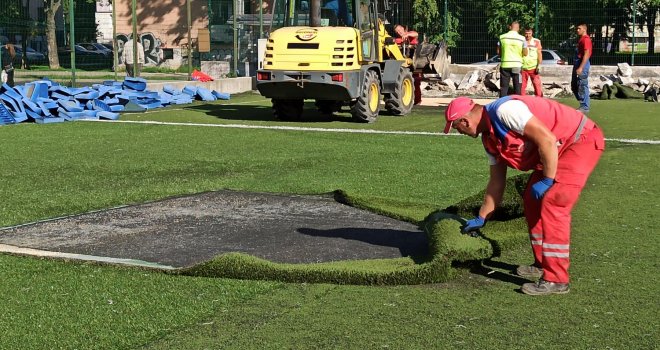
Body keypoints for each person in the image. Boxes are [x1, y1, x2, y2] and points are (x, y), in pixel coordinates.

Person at [442, 95, 605, 295]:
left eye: (457, 128)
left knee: (555, 201)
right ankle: (542, 264)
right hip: (557, 148)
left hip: (579, 141)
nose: (460, 132)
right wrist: (483, 216)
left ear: (465, 121)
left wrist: (546, 180)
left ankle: (556, 279)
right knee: (531, 199)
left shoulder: (505, 111)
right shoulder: (489, 139)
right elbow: (496, 181)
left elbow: (546, 139)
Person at [497, 21, 528, 97]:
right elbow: (525, 53)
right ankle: (517, 104)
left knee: (504, 87)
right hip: (517, 65)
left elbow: (498, 51)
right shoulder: (522, 38)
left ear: (510, 27)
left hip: (505, 65)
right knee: (518, 87)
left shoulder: (502, 37)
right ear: (518, 29)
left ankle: (502, 104)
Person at [393, 24, 422, 105]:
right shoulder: (398, 40)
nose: (399, 32)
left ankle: (417, 101)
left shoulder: (410, 34)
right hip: (404, 64)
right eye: (397, 31)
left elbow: (416, 34)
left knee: (416, 81)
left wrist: (407, 34)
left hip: (414, 62)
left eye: (399, 30)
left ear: (403, 28)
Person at [572, 23, 592, 113]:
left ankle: (584, 106)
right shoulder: (581, 39)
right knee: (574, 85)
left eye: (579, 28)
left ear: (584, 29)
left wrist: (581, 67)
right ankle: (582, 102)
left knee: (582, 84)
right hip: (578, 63)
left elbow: (586, 54)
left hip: (582, 63)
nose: (577, 30)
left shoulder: (586, 39)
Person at [521, 27, 543, 97]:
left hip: (534, 68)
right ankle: (522, 101)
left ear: (532, 33)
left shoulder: (536, 41)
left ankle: (539, 100)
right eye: (526, 33)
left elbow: (539, 53)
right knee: (522, 86)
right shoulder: (521, 40)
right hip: (523, 68)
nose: (528, 35)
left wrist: (539, 65)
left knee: (537, 85)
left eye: (529, 33)